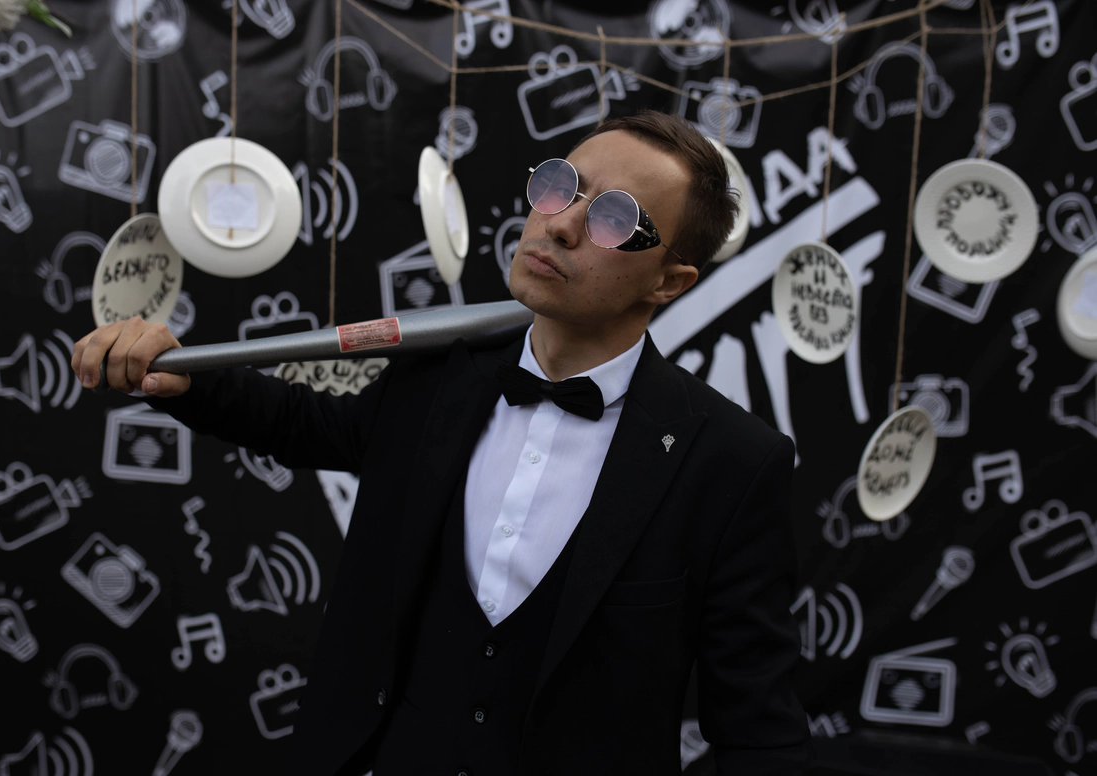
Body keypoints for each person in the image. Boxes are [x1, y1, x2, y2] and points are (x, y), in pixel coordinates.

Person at [72, 110, 809, 775]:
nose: (560, 225)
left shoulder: (733, 462)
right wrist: (178, 373)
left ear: (670, 281)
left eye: (616, 219)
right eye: (562, 186)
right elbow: (303, 423)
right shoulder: (439, 375)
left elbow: (758, 735)